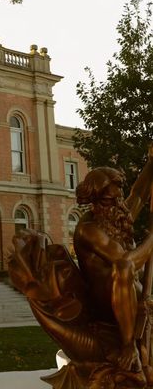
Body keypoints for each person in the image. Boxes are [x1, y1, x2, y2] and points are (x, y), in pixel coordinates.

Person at [74, 147, 153, 373]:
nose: (119, 202)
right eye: (111, 199)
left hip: (130, 294)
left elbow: (138, 194)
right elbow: (125, 264)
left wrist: (151, 163)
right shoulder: (88, 229)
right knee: (123, 266)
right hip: (105, 302)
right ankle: (129, 346)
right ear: (98, 199)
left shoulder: (115, 214)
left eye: (119, 196)